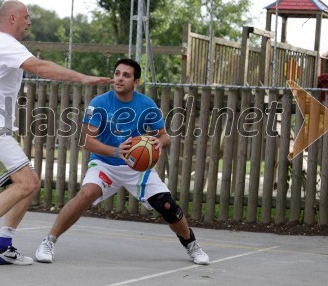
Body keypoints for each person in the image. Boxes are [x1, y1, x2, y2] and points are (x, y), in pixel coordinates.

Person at [0, 0, 112, 265]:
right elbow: (40, 67)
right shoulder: (4, 43)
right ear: (13, 17)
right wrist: (82, 77)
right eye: (27, 17)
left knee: (28, 185)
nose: (29, 22)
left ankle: (4, 244)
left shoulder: (3, 44)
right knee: (26, 183)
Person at [34, 58, 210, 265]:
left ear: (136, 82)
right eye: (117, 73)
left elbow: (165, 136)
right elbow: (87, 141)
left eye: (126, 75)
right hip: (104, 164)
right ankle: (48, 242)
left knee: (167, 205)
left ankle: (192, 245)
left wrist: (158, 142)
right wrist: (116, 151)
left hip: (136, 166)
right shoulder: (99, 104)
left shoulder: (146, 104)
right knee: (87, 193)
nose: (119, 78)